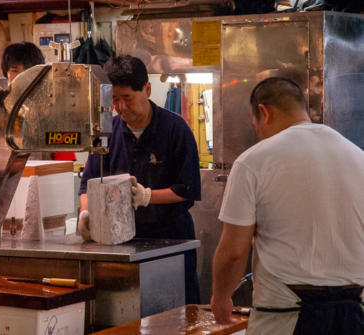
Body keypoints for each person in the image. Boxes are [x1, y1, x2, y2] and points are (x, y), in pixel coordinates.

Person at [211, 77, 364, 334]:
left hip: (286, 316)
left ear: (264, 112)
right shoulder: (358, 157)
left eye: (255, 127)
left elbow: (234, 251)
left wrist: (221, 297)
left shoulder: (253, 162)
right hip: (355, 313)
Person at [78, 55, 202, 304]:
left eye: (127, 98)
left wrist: (147, 196)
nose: (121, 107)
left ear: (146, 89)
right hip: (121, 244)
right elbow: (87, 183)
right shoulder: (106, 132)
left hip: (170, 241)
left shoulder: (176, 129)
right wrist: (86, 214)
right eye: (114, 100)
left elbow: (187, 189)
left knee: (177, 313)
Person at [1, 42, 75, 161]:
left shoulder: (53, 112)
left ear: (39, 73)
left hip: (47, 177)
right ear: (6, 74)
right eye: (14, 70)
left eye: (28, 70)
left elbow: (66, 162)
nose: (21, 76)